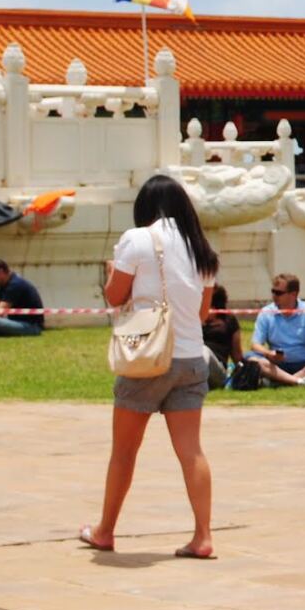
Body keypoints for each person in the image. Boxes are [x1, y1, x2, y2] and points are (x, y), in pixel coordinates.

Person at [80, 173, 217, 559]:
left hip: (147, 356)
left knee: (124, 450)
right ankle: (203, 535)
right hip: (191, 356)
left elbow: (114, 296)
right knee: (191, 450)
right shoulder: (201, 249)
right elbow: (202, 312)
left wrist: (112, 269)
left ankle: (105, 530)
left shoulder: (136, 240)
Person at [241, 274, 305, 387]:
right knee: (250, 357)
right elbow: (255, 344)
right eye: (273, 291)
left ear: (293, 294)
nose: (274, 296)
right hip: (276, 366)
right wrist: (269, 354)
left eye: (279, 293)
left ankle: (280, 381)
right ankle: (298, 381)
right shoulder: (266, 313)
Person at [200, 284, 242, 389]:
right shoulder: (194, 319)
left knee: (204, 351)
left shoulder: (229, 320)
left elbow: (237, 354)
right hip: (194, 363)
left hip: (218, 370)